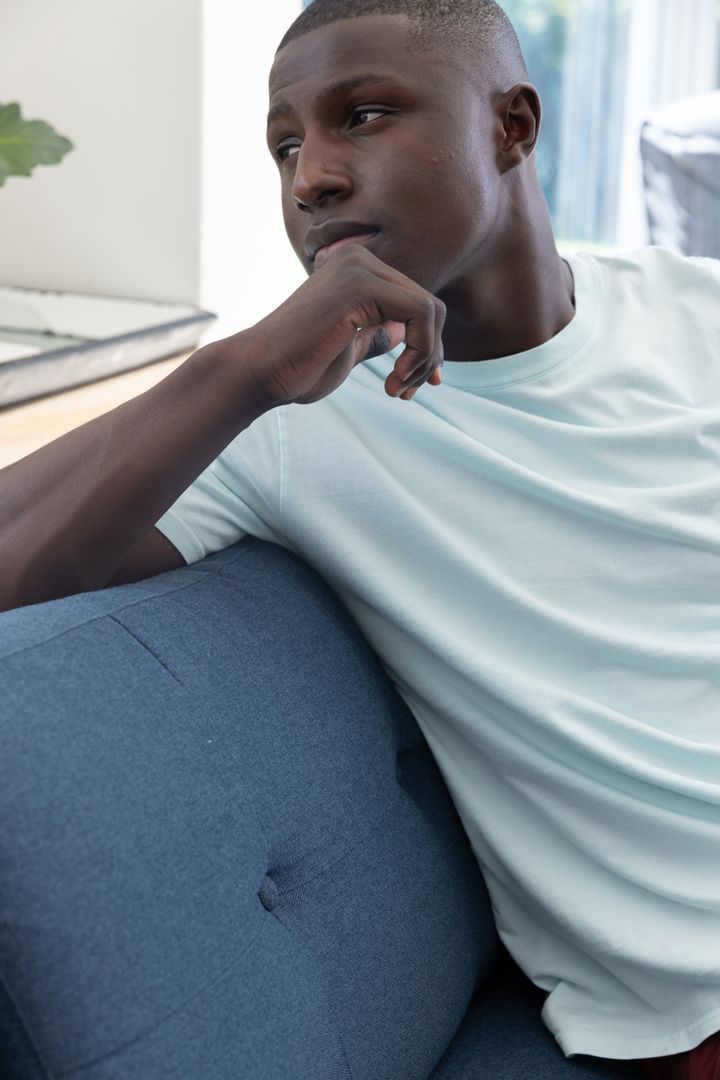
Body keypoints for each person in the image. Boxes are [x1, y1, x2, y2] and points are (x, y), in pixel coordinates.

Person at [1, 1, 719, 1075]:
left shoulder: (694, 313)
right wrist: (232, 370)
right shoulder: (292, 426)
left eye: (365, 116)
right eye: (286, 146)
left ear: (512, 126)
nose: (311, 179)